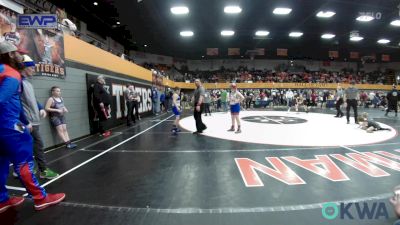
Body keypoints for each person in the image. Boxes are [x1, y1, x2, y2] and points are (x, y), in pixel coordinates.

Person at [0, 41, 65, 213]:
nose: (21, 56)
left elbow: (16, 102)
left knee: (1, 164)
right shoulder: (12, 74)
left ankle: (2, 200)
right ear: (10, 55)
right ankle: (40, 198)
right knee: (24, 163)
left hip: (5, 127)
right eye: (18, 53)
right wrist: (21, 123)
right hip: (9, 127)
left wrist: (25, 120)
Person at [20, 54, 59, 179]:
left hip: (33, 122)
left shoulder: (28, 83)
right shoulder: (17, 82)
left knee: (30, 146)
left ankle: (21, 169)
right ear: (24, 67)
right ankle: (42, 170)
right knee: (37, 145)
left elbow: (33, 100)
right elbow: (16, 103)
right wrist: (25, 121)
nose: (33, 69)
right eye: (31, 67)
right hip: (27, 122)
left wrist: (41, 108)